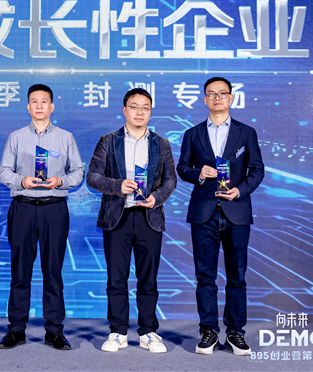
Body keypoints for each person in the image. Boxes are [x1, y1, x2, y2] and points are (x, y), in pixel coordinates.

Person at [176, 76, 264, 356]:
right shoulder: (193, 134)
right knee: (205, 277)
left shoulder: (246, 132)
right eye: (211, 94)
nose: (217, 98)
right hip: (203, 212)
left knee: (237, 276)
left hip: (237, 212)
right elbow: (182, 168)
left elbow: (257, 170)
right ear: (204, 99)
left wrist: (240, 191)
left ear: (231, 98)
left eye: (222, 93)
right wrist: (199, 173)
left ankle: (236, 332)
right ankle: (208, 331)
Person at [87, 88, 176, 354]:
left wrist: (156, 197)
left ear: (150, 111)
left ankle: (148, 331)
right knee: (117, 278)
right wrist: (117, 186)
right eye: (134, 107)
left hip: (149, 217)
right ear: (124, 110)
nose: (140, 112)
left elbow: (170, 179)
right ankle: (118, 331)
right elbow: (93, 177)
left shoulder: (161, 143)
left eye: (145, 108)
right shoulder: (108, 141)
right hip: (118, 217)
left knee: (149, 279)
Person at [0, 84, 84, 351]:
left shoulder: (66, 137)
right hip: (23, 207)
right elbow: (3, 172)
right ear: (28, 106)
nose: (39, 106)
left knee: (53, 270)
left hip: (54, 208)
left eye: (44, 101)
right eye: (34, 101)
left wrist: (61, 180)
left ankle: (54, 330)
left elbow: (78, 172)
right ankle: (16, 329)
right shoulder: (16, 137)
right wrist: (21, 180)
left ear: (52, 106)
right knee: (19, 271)